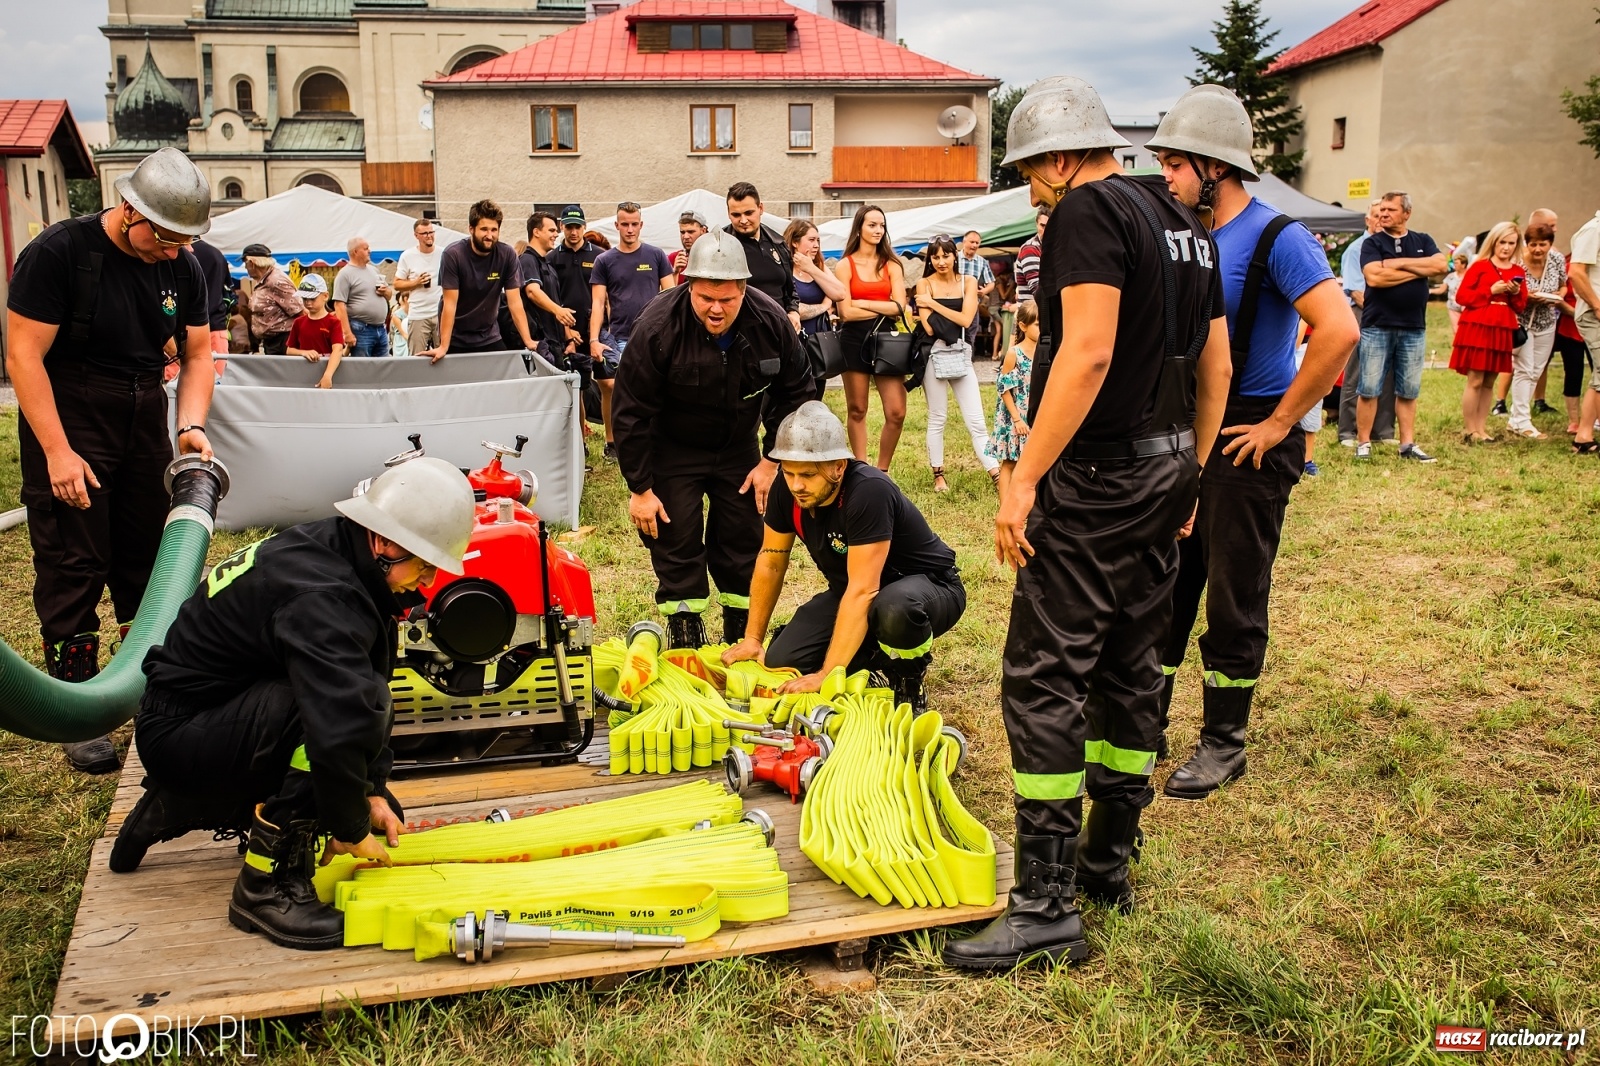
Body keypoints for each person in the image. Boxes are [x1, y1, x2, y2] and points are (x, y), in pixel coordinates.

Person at [941, 77, 1231, 971]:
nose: (1031, 190)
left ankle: (1045, 906)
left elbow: (1091, 349)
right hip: (1167, 466)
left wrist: (1022, 480)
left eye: (1032, 171)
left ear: (1063, 158)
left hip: (1100, 479)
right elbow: (1214, 362)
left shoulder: (1086, 215)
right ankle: (1107, 863)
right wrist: (1191, 472)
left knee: (1044, 675)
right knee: (1131, 663)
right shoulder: (1181, 220)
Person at [108, 458, 476, 950]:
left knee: (350, 707)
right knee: (323, 720)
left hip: (203, 717)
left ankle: (185, 798)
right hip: (182, 734)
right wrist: (346, 822)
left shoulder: (339, 554)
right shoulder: (323, 595)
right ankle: (264, 887)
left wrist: (371, 791)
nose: (426, 581)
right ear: (386, 543)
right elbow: (338, 720)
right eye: (424, 564)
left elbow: (371, 684)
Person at [1147, 84, 1358, 799]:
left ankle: (1222, 742)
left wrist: (1279, 425)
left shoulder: (1278, 236)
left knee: (1234, 594)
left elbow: (1338, 331)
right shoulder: (1193, 238)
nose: (1167, 178)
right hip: (1187, 433)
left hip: (1248, 437)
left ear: (1214, 165)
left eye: (1174, 164)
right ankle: (1146, 724)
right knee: (1167, 587)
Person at [5, 146, 217, 775]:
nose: (175, 251)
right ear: (131, 212)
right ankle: (80, 710)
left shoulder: (184, 266)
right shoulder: (58, 253)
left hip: (143, 411)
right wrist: (57, 453)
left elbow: (198, 353)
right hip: (72, 411)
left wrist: (190, 426)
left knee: (146, 560)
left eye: (186, 240)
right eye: (166, 238)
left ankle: (147, 688)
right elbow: (23, 357)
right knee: (77, 559)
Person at [611, 230, 816, 648]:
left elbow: (798, 393)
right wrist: (641, 488)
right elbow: (630, 412)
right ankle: (685, 627)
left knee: (743, 538)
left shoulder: (770, 321)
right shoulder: (656, 327)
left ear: (744, 287)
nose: (716, 309)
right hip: (674, 449)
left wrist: (772, 460)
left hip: (740, 448)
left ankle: (741, 629)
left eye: (727, 298)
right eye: (706, 298)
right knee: (676, 536)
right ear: (688, 285)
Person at [722, 401, 965, 711]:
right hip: (854, 591)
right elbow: (770, 560)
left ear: (838, 466)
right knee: (784, 659)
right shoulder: (788, 490)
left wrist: (827, 674)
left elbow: (865, 590)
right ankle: (872, 664)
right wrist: (753, 639)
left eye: (808, 474)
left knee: (893, 610)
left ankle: (907, 676)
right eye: (790, 472)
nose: (797, 485)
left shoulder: (868, 491)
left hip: (926, 588)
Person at [1355, 191, 1448, 460]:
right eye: (1381, 210)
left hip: (1413, 326)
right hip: (1377, 325)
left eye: (1390, 210)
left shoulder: (1423, 240)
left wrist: (1397, 264)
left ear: (1407, 213)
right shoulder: (1372, 243)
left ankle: (1407, 445)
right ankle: (1363, 444)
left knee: (1408, 389)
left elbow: (1441, 265)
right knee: (1369, 387)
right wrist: (1420, 269)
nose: (1383, 214)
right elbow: (1374, 278)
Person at [590, 201, 674, 461]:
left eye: (634, 224)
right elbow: (597, 302)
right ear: (617, 225)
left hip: (652, 337)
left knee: (655, 390)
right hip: (620, 337)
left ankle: (653, 440)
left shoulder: (656, 256)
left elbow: (670, 295)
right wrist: (593, 339)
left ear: (641, 225)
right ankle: (612, 442)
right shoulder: (605, 260)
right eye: (624, 224)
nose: (629, 229)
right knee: (613, 390)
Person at [915, 234, 999, 491]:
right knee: (937, 417)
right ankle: (938, 474)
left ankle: (995, 473)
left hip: (960, 353)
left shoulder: (969, 281)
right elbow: (929, 329)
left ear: (955, 256)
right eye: (935, 256)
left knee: (976, 420)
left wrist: (931, 304)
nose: (941, 261)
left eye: (946, 255)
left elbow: (965, 320)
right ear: (930, 259)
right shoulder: (923, 283)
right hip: (933, 354)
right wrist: (936, 309)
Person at [832, 206, 909, 470]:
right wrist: (881, 304)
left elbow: (900, 307)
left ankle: (883, 471)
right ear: (859, 228)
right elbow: (845, 312)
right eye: (872, 225)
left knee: (897, 412)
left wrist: (861, 301)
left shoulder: (892, 265)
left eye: (882, 225)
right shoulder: (845, 265)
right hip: (854, 339)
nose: (878, 230)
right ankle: (862, 469)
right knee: (857, 409)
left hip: (888, 339)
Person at [419, 200, 537, 360]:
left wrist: (528, 341)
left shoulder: (507, 254)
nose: (490, 235)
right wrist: (443, 346)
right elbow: (450, 304)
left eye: (494, 230)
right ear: (471, 229)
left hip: (489, 335)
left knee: (503, 378)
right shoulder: (453, 254)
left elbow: (515, 302)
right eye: (484, 229)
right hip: (456, 337)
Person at [1449, 222, 1527, 443]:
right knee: (1475, 379)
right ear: (1494, 242)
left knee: (1489, 381)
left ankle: (1482, 429)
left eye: (1511, 243)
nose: (1506, 247)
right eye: (1502, 242)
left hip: (1502, 326)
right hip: (1478, 325)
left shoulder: (1518, 271)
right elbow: (1462, 297)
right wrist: (1490, 290)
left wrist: (1514, 292)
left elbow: (1520, 306)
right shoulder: (1480, 266)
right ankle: (1470, 429)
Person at [1338, 202, 1397, 445]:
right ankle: (1348, 432)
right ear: (1367, 219)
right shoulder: (1356, 249)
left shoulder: (1391, 248)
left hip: (1388, 316)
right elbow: (1355, 291)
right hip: (1362, 314)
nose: (1381, 220)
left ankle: (1382, 431)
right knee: (1358, 372)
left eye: (1385, 215)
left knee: (1387, 373)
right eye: (1376, 215)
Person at [1505, 222, 1566, 438]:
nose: (1538, 249)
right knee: (1525, 369)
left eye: (1543, 244)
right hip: (1521, 321)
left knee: (1537, 370)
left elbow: (1563, 284)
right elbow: (1510, 291)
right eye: (1533, 244)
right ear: (1526, 244)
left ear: (1550, 244)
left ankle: (1516, 419)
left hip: (1547, 321)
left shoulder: (1557, 259)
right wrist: (1527, 296)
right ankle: (1523, 421)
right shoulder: (1517, 263)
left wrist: (1558, 295)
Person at [550, 206, 607, 430]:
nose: (573, 232)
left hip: (596, 329)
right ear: (562, 227)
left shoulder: (599, 256)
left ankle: (610, 439)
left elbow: (607, 295)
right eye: (569, 227)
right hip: (566, 332)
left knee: (606, 383)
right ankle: (578, 436)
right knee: (575, 387)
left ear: (585, 226)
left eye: (578, 227)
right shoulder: (552, 258)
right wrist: (565, 333)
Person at [725, 182, 801, 331]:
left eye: (748, 213)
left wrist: (793, 312)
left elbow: (790, 289)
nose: (743, 220)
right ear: (728, 213)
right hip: (739, 335)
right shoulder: (719, 246)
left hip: (778, 333)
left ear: (761, 209)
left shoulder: (778, 242)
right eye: (736, 215)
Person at [986, 299, 1039, 498]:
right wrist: (1017, 419)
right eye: (1037, 324)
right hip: (1015, 416)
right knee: (1010, 461)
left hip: (1035, 414)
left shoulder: (1045, 353)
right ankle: (1005, 506)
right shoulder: (1014, 354)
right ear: (1023, 326)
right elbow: (1004, 388)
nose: (1041, 329)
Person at [516, 211, 582, 367]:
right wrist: (558, 311)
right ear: (536, 232)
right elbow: (532, 291)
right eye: (551, 230)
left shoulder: (547, 264)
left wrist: (569, 339)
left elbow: (557, 303)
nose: (556, 234)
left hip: (556, 344)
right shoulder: (527, 259)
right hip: (541, 345)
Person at [1569, 207, 1600, 455]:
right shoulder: (1593, 229)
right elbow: (1576, 272)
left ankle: (1584, 436)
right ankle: (1583, 435)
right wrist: (1597, 306)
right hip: (1594, 312)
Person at [332, 237, 393, 359]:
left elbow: (389, 295)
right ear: (355, 252)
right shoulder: (345, 274)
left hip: (381, 328)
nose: (369, 251)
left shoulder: (374, 270)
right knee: (362, 369)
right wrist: (347, 333)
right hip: (360, 329)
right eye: (366, 249)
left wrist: (386, 291)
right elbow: (339, 306)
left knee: (384, 368)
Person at [785, 218, 847, 337]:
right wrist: (823, 306)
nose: (816, 245)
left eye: (818, 240)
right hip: (797, 337)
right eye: (811, 240)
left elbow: (841, 293)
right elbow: (794, 309)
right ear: (795, 242)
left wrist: (811, 268)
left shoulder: (818, 266)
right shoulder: (785, 269)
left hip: (821, 339)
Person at [285, 273, 347, 388]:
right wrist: (303, 352)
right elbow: (289, 350)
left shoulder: (333, 322)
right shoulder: (298, 322)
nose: (308, 302)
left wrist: (328, 375)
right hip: (304, 375)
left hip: (329, 373)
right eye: (305, 299)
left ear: (325, 296)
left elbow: (338, 350)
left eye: (312, 298)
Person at [393, 218, 442, 355]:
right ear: (416, 236)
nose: (429, 236)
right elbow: (397, 284)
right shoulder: (408, 256)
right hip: (418, 314)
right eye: (425, 233)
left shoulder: (443, 253)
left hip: (440, 313)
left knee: (445, 355)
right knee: (416, 357)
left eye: (431, 232)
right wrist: (416, 282)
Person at [243, 243, 302, 354]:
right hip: (271, 342)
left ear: (252, 263)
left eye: (245, 263)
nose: (245, 267)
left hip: (284, 341)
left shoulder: (276, 281)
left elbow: (300, 311)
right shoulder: (264, 281)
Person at [190, 237, 232, 380]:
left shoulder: (176, 253)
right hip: (215, 324)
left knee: (177, 384)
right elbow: (228, 292)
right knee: (217, 379)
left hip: (184, 327)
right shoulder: (216, 254)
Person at [1014, 208, 1048, 304]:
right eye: (1042, 226)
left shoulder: (1053, 248)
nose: (1046, 231)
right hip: (1032, 315)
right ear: (1036, 224)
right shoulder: (1030, 248)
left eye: (1050, 226)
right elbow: (1038, 291)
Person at [670, 210, 710, 284]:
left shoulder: (714, 256)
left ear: (703, 230)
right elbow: (666, 293)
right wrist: (675, 273)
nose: (686, 237)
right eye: (682, 232)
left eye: (691, 232)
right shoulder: (673, 258)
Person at [1444, 253, 1468, 331]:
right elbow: (1442, 289)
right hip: (1453, 306)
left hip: (1466, 306)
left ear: (1463, 265)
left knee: (1466, 329)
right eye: (1454, 263)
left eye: (1456, 263)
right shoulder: (1450, 276)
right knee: (1456, 329)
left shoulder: (1470, 275)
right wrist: (1429, 291)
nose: (1454, 265)